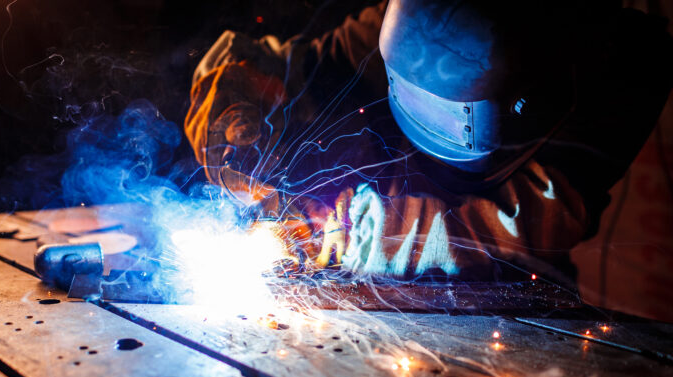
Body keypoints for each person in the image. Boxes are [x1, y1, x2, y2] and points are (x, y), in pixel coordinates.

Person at [184, 0, 672, 283]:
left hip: (496, 313)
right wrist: (238, 92)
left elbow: (524, 228)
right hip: (362, 279)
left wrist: (355, 233)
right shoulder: (421, 15)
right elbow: (294, 69)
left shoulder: (623, 69)